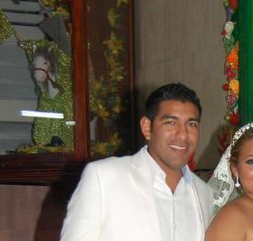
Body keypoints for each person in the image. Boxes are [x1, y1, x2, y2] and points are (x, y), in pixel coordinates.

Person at [60, 82, 214, 241]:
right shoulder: (104, 177)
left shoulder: (204, 194)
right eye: (170, 122)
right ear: (147, 128)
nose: (183, 135)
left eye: (192, 124)